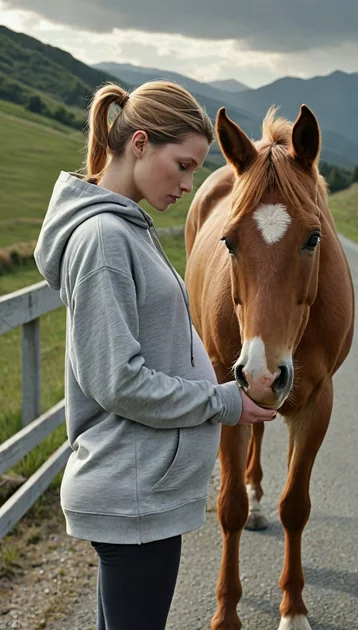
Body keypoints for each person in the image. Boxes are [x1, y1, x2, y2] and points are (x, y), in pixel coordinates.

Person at [34, 80, 276, 630]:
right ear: (139, 143)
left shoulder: (125, 227)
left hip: (141, 492)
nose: (191, 185)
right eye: (184, 165)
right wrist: (222, 402)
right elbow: (117, 381)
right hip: (132, 495)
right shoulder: (104, 239)